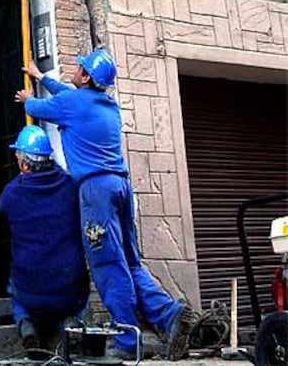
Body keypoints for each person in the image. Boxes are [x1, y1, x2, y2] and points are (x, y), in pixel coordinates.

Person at [14, 49, 195, 361]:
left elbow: (36, 106)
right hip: (121, 187)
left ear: (86, 77)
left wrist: (28, 96)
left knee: (108, 264)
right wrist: (42, 76)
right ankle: (170, 316)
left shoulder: (72, 103)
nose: (75, 68)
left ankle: (127, 341)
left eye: (80, 67)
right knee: (129, 262)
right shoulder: (106, 104)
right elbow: (68, 94)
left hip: (95, 191)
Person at [0, 124, 90, 353]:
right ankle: (71, 322)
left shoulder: (11, 193)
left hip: (30, 289)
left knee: (15, 293)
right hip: (70, 287)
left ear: (24, 164)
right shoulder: (70, 186)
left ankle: (26, 325)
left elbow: (2, 211)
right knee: (79, 294)